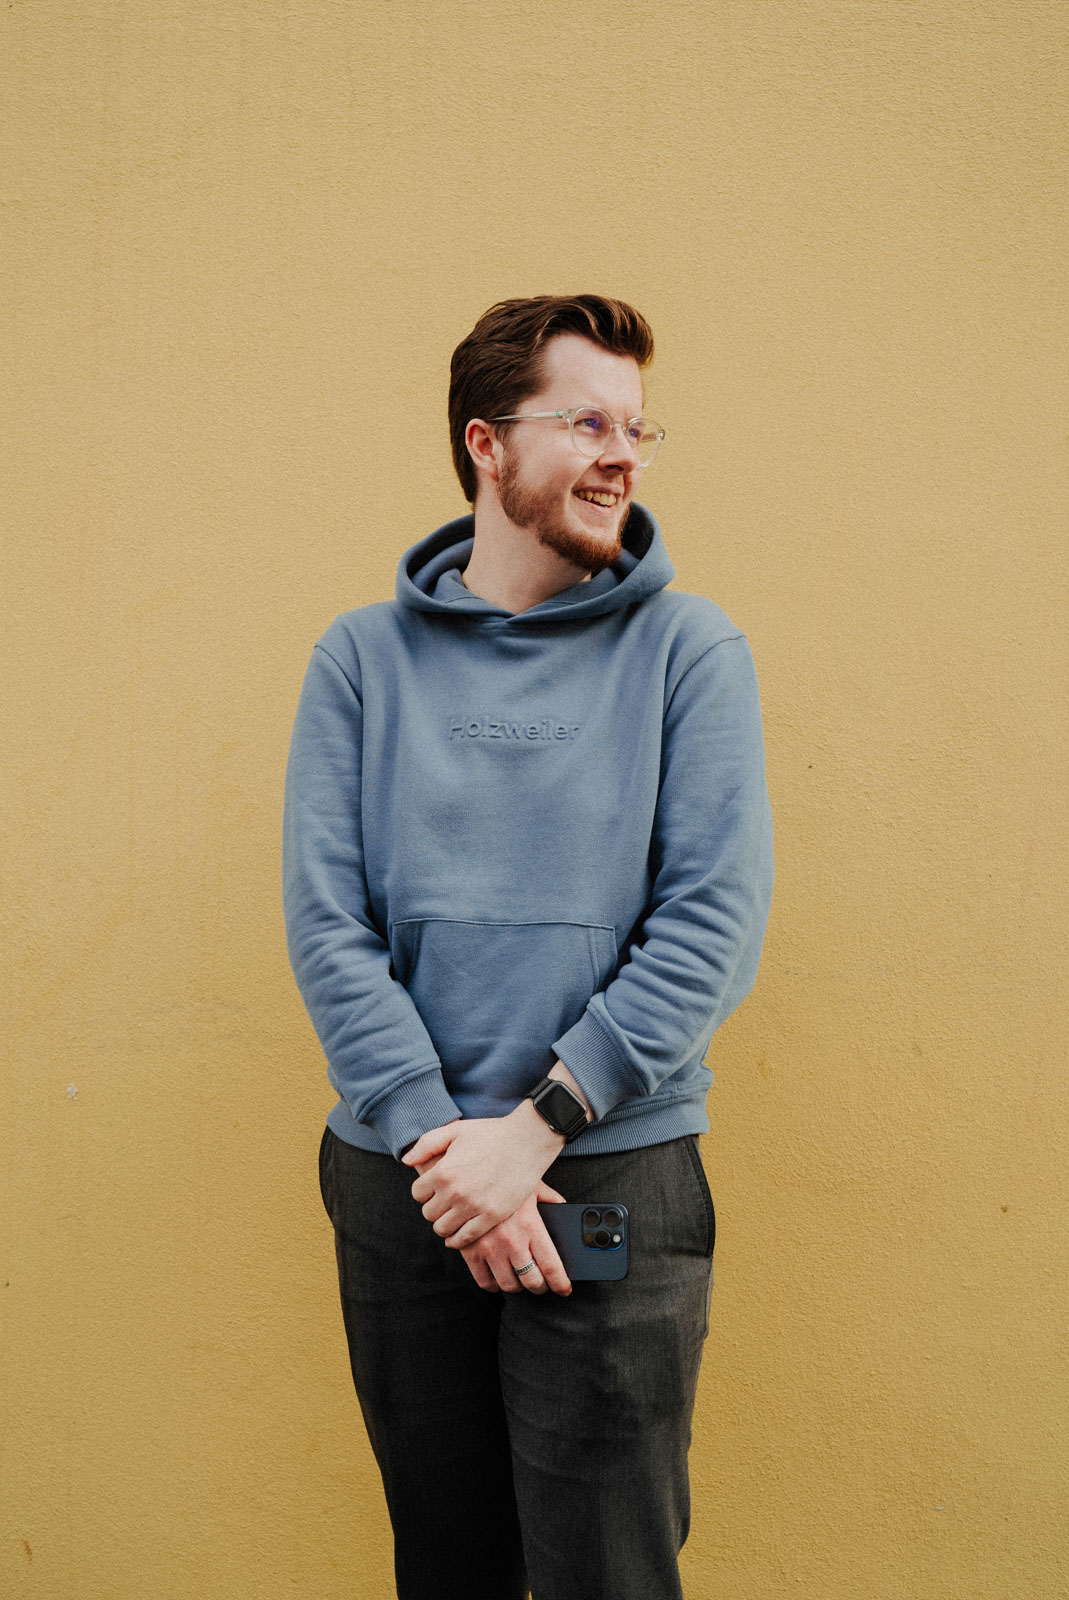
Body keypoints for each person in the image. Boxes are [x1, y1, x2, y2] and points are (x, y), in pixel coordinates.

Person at [282, 293, 774, 1600]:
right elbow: (329, 925)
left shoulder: (687, 652)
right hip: (409, 1184)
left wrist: (533, 1129)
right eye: (587, 421)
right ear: (486, 444)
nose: (624, 452)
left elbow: (709, 922)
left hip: (605, 1175)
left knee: (604, 1572)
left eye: (637, 426)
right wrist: (446, 1144)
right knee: (448, 1565)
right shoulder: (360, 660)